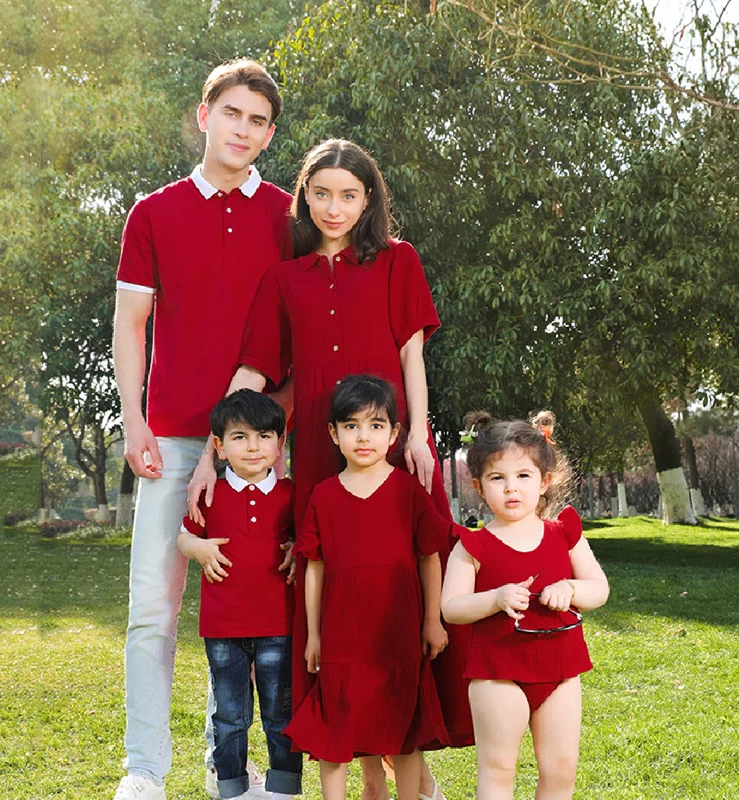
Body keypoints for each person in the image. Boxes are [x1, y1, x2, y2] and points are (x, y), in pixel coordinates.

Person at [187, 137, 474, 800]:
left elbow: (411, 356)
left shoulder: (399, 260)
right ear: (305, 198)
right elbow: (254, 373)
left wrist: (419, 438)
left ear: (368, 199)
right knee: (338, 601)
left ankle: (413, 762)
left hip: (393, 443)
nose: (334, 207)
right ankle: (363, 765)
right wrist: (209, 456)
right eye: (321, 193)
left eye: (348, 194)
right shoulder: (284, 280)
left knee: (407, 590)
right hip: (323, 456)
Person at [112, 58, 292, 800]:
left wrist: (245, 439)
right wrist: (134, 420)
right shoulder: (153, 212)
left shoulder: (288, 216)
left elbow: (290, 332)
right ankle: (144, 769)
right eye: (231, 114)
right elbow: (131, 323)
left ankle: (237, 765)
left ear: (270, 135)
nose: (242, 130)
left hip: (257, 448)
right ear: (204, 116)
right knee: (152, 611)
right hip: (171, 438)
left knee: (255, 612)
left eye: (258, 121)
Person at [283, 375, 453, 799]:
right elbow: (314, 567)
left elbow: (430, 558)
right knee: (336, 728)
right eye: (351, 426)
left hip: (399, 635)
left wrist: (432, 621)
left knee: (405, 729)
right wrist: (314, 635)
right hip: (343, 640)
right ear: (333, 433)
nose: (363, 437)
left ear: (394, 434)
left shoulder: (409, 491)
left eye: (376, 426)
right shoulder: (323, 496)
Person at [440, 410, 610, 800]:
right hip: (497, 673)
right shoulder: (472, 546)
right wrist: (494, 598)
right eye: (497, 478)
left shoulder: (564, 534)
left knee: (561, 768)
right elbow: (452, 608)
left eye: (523, 476)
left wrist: (570, 587)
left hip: (560, 671)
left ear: (544, 480)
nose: (511, 488)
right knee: (499, 768)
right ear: (479, 487)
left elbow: (599, 589)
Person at [178, 390, 302, 800]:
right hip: (223, 628)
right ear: (219, 446)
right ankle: (232, 788)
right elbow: (184, 538)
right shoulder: (210, 493)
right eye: (240, 437)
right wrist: (198, 548)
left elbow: (305, 542)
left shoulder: (291, 495)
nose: (253, 447)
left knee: (280, 714)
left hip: (278, 626)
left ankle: (284, 790)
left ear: (279, 444)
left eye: (264, 436)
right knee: (230, 717)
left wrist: (295, 550)